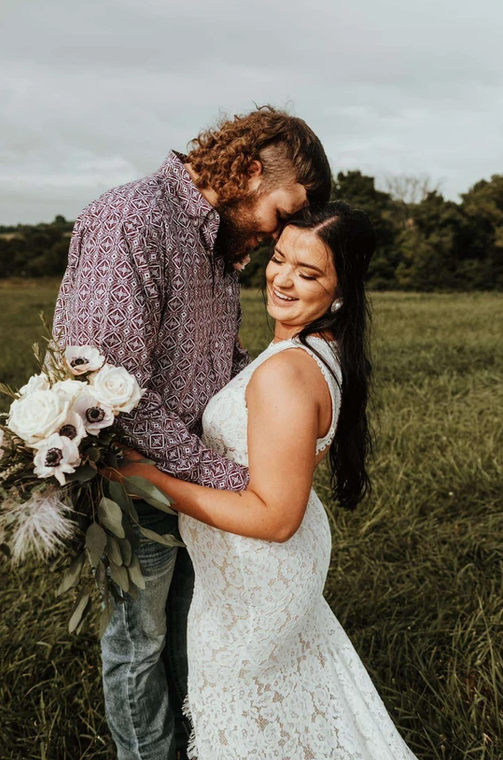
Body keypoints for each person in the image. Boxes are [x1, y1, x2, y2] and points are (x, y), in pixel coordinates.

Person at [52, 105, 331, 760]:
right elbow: (108, 385)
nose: (281, 233)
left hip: (190, 479)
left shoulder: (218, 241)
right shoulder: (132, 220)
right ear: (247, 171)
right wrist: (235, 481)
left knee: (190, 629)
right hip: (134, 479)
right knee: (139, 643)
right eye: (282, 212)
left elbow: (215, 363)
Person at [114, 202, 419, 759]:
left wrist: (150, 479)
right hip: (258, 571)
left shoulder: (286, 372)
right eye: (279, 259)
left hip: (257, 574)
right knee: (291, 706)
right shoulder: (314, 350)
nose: (282, 279)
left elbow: (276, 518)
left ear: (342, 289)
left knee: (245, 717)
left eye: (308, 274)